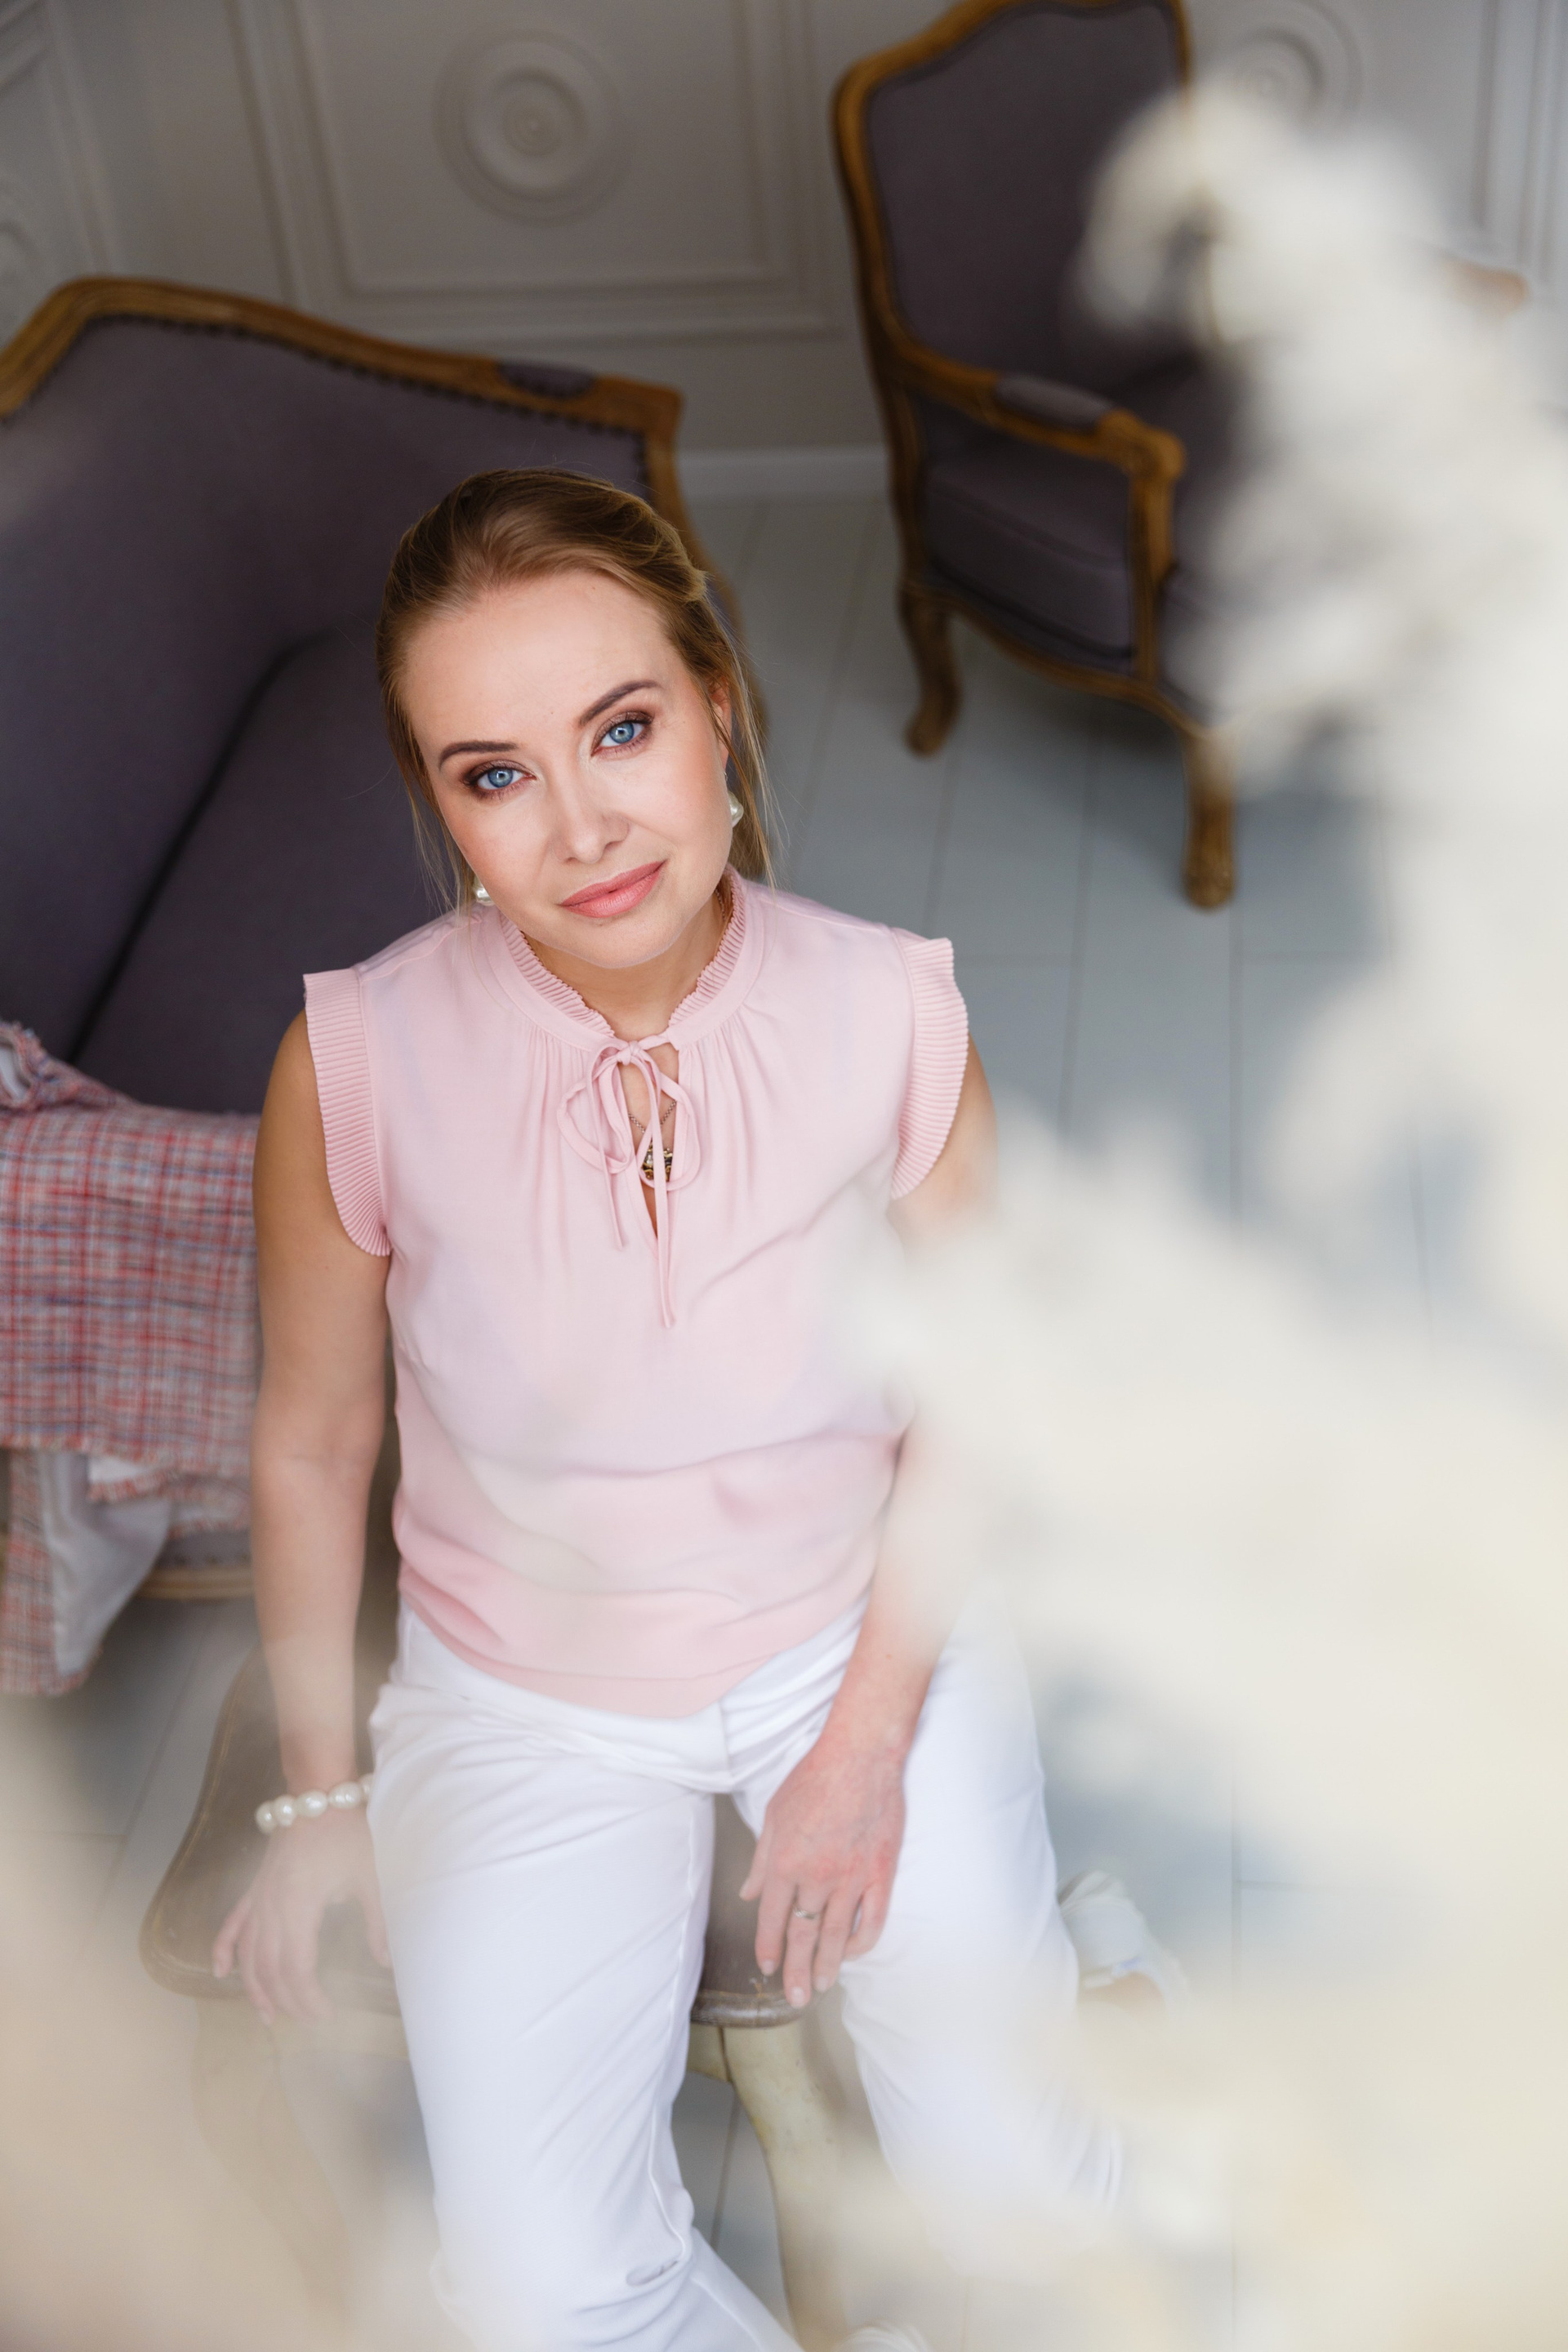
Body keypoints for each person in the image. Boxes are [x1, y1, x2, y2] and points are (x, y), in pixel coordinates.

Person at [213, 469, 1128, 2352]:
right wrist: (319, 1797)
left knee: (1014, 2209)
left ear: (718, 703)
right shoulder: (354, 1059)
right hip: (521, 1695)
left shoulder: (893, 1016)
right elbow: (312, 1440)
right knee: (539, 2296)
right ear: (443, 807)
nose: (582, 827)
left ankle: (1092, 2010)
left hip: (858, 1628)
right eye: (496, 772)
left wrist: (863, 1747)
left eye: (621, 728)